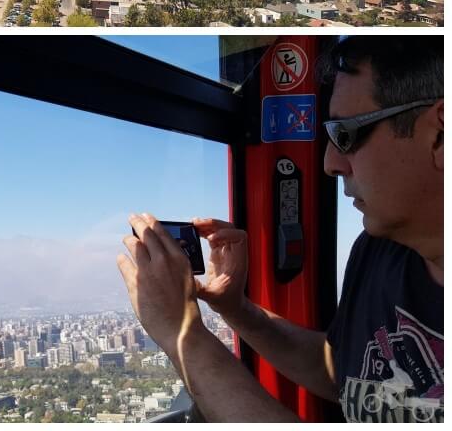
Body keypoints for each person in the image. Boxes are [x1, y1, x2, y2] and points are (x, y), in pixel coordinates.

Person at [118, 36, 443, 422]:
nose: (330, 164)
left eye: (346, 134)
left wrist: (181, 333)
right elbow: (346, 373)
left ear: (439, 133)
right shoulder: (379, 250)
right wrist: (236, 310)